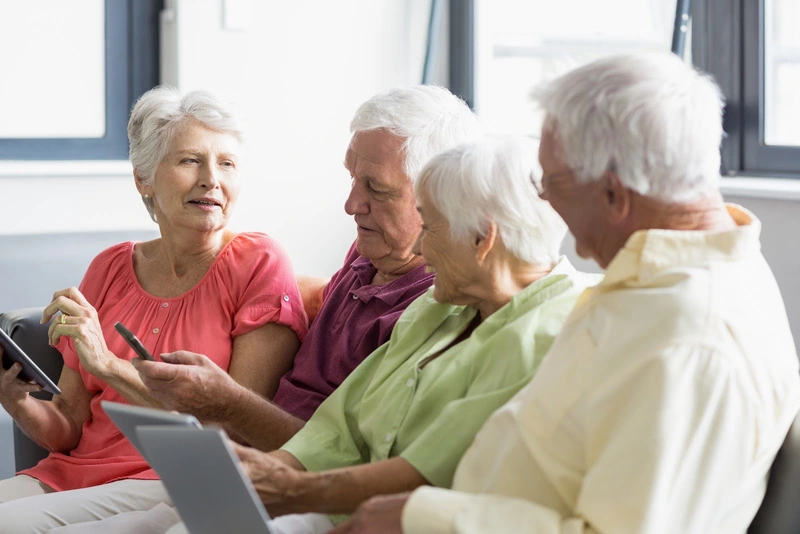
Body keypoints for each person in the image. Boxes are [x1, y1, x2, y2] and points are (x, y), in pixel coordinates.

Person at [335, 53, 800, 534]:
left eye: (550, 182)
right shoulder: (655, 281)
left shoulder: (690, 341)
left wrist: (419, 517)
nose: (543, 201)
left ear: (614, 196)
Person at [164, 136, 599, 534]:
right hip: (331, 505)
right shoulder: (436, 305)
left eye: (430, 228)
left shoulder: (549, 331)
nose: (421, 250)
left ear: (483, 239)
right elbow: (342, 422)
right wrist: (264, 472)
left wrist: (291, 488)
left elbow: (432, 467)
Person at [0, 86, 308, 531]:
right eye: (190, 160)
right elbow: (67, 425)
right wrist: (15, 399)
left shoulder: (259, 262)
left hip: (169, 478)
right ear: (143, 178)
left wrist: (105, 363)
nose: (211, 179)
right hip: (71, 475)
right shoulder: (109, 266)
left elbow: (234, 430)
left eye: (227, 163)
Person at [130, 85, 483, 452]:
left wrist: (228, 403)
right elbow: (319, 297)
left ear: (441, 197)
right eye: (352, 178)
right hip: (246, 469)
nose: (351, 205)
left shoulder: (432, 310)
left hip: (295, 488)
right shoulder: (370, 253)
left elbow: (345, 460)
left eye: (376, 188)